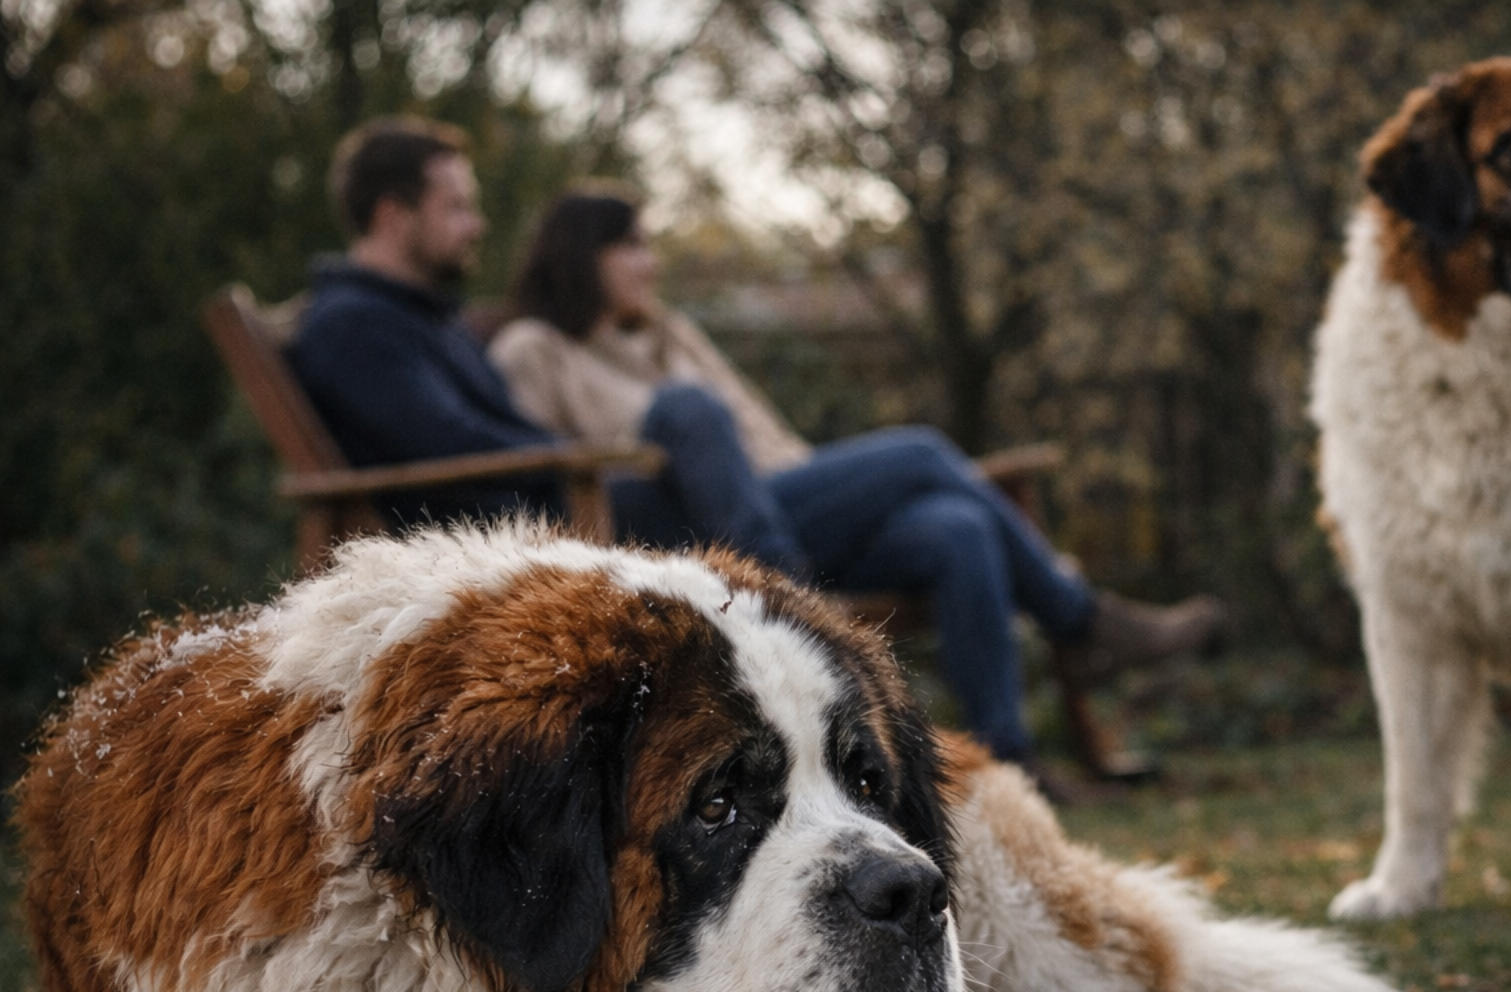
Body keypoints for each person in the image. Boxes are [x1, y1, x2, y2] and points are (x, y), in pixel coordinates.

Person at [289, 118, 1225, 767]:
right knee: (893, 446)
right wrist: (572, 462)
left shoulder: (426, 320)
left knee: (956, 526)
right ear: (394, 215)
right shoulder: (356, 327)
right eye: (456, 206)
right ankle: (881, 621)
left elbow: (488, 437)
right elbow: (457, 459)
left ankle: (1007, 765)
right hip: (564, 534)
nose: (476, 224)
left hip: (602, 510)